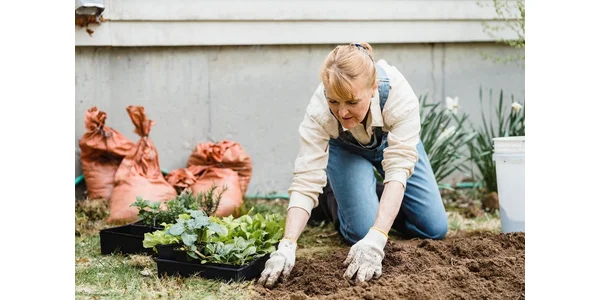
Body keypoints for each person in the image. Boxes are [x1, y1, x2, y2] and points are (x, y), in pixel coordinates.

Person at [257, 42, 448, 288]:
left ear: (373, 88)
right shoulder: (319, 112)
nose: (342, 112)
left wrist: (378, 237)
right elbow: (306, 179)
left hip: (393, 145)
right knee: (360, 233)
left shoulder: (399, 96)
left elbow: (399, 169)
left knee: (434, 228)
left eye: (351, 101)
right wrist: (287, 245)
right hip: (345, 150)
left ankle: (359, 195)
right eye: (334, 101)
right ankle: (331, 198)